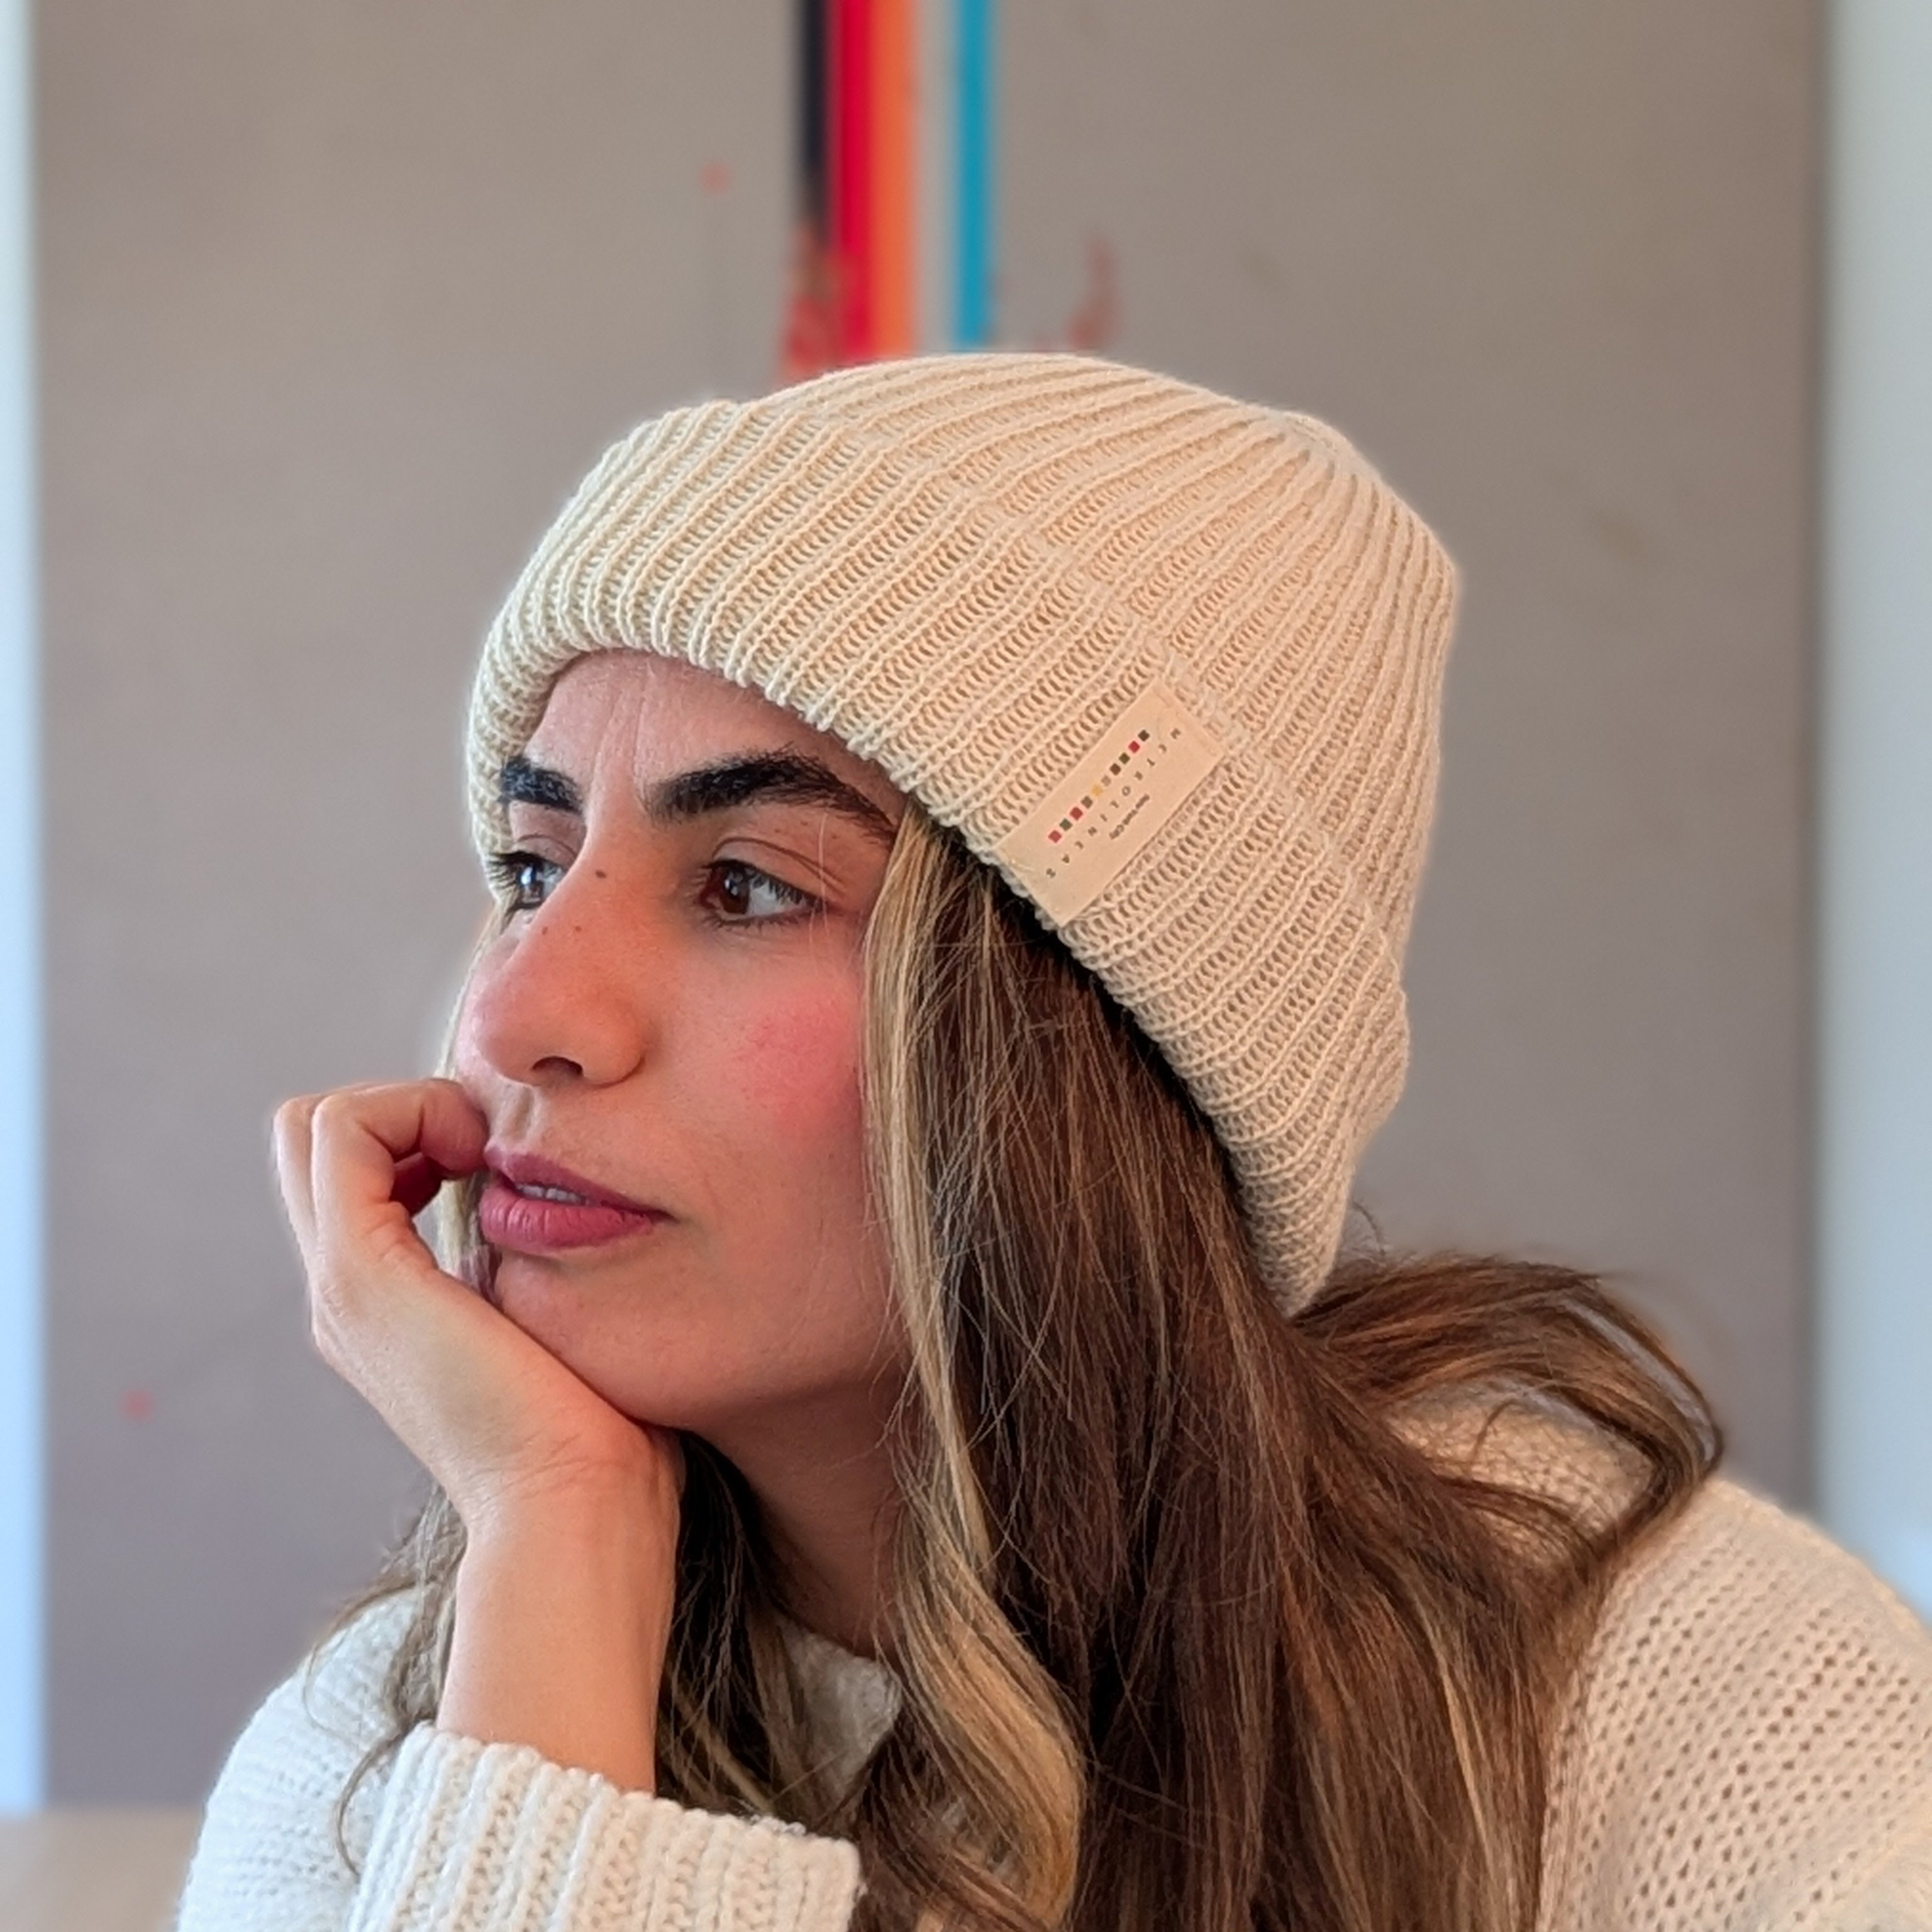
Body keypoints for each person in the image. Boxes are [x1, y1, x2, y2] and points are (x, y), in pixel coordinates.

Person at [175, 355, 1931, 1932]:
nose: (511, 1017)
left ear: (1090, 1043)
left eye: (748, 889)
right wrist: (557, 1530)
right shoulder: (394, 1753)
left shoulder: (1674, 1694)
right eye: (534, 867)